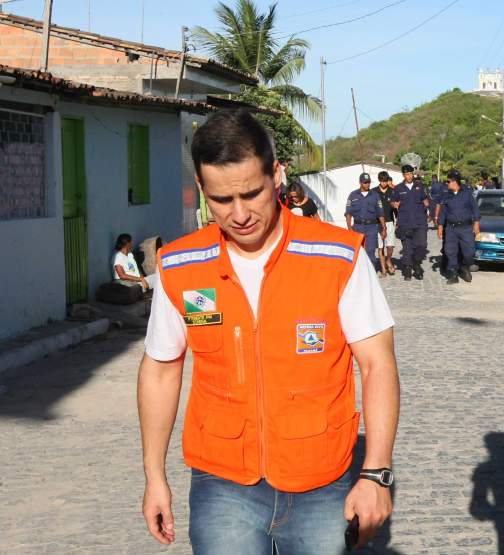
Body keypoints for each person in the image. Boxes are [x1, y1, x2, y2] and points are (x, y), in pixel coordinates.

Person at [137, 109, 400, 554]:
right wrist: (154, 476)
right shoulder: (181, 266)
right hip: (222, 484)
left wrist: (376, 473)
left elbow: (377, 364)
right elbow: (160, 371)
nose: (239, 214)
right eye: (222, 199)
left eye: (252, 193)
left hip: (321, 481)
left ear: (276, 174)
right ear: (201, 188)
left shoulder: (338, 257)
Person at [437, 169, 480, 284]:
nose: (446, 183)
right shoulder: (446, 195)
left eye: (448, 181)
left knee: (469, 251)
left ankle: (464, 266)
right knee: (450, 251)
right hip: (451, 228)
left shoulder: (467, 194)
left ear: (454, 181)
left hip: (466, 228)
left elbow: (475, 209)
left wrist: (476, 223)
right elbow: (443, 212)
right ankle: (453, 274)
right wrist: (440, 226)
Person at [392, 164, 430, 281]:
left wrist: (429, 210)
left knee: (422, 245)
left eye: (410, 174)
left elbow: (425, 200)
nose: (409, 176)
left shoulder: (420, 186)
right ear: (403, 175)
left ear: (413, 174)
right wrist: (394, 204)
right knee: (407, 248)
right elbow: (393, 201)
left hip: (419, 222)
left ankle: (416, 263)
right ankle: (408, 269)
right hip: (405, 222)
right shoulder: (398, 188)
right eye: (406, 174)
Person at [346, 173, 387, 275]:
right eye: (365, 182)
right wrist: (349, 228)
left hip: (371, 227)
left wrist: (384, 228)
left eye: (368, 182)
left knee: (370, 251)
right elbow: (348, 213)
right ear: (360, 183)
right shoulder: (353, 195)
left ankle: (371, 273)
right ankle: (359, 274)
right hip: (357, 227)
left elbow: (380, 213)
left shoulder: (375, 195)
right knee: (358, 251)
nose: (367, 184)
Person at [373, 171, 398, 276]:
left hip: (389, 221)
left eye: (385, 181)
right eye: (382, 181)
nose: (384, 183)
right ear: (379, 180)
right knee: (380, 247)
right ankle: (383, 269)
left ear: (388, 180)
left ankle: (388, 260)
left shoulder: (393, 191)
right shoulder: (374, 192)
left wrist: (397, 219)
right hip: (377, 222)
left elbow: (395, 207)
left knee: (390, 246)